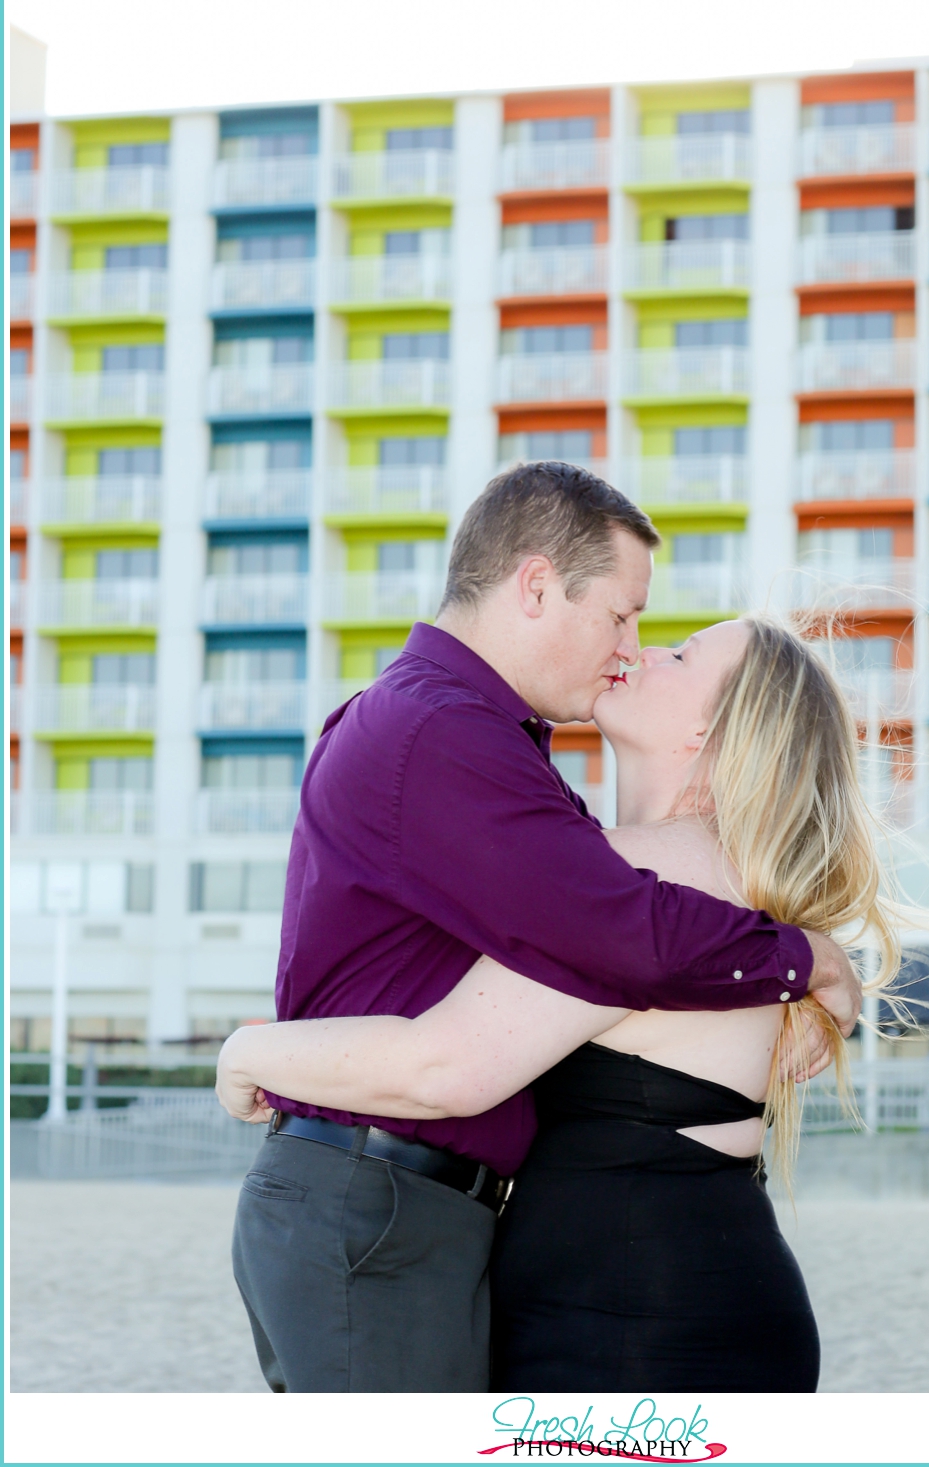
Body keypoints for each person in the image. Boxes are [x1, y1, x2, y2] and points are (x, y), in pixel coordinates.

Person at [225, 462, 863, 1393]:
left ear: (715, 735)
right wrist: (802, 958)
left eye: (672, 651)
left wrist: (251, 1054)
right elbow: (612, 934)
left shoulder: (639, 853)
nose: (635, 648)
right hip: (436, 1229)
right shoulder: (452, 740)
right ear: (534, 586)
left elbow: (470, 1049)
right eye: (626, 616)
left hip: (627, 1303)